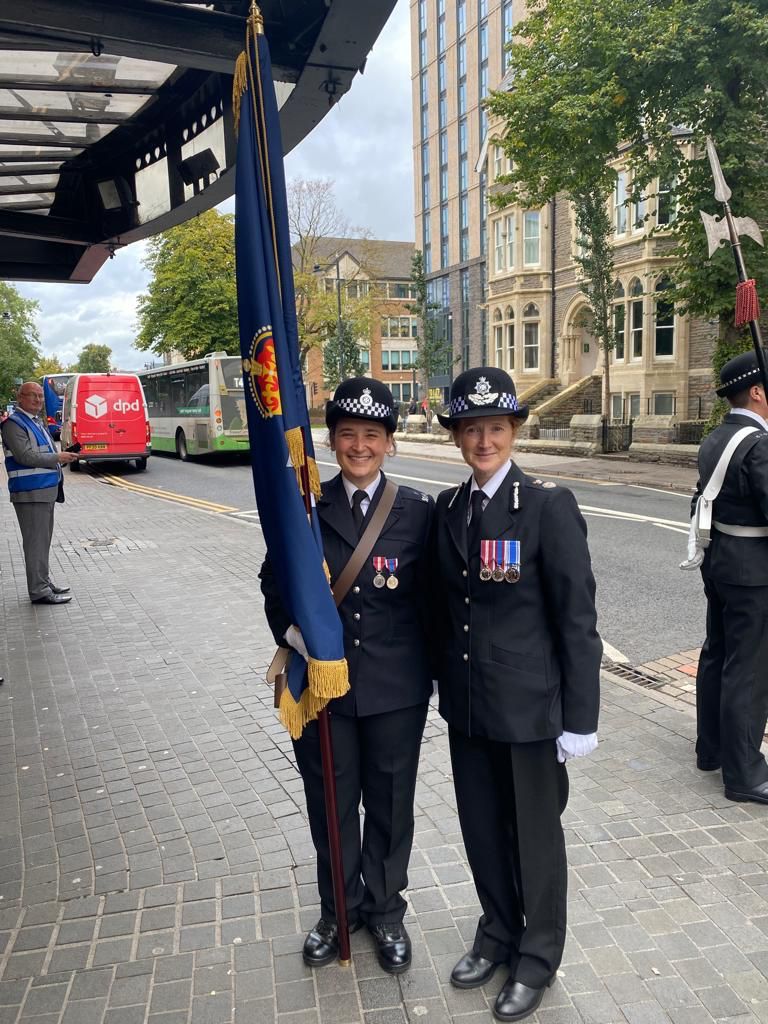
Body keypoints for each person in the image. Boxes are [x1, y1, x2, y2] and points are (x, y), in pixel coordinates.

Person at [430, 367, 602, 1023]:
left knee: (534, 838)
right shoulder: (449, 509)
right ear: (456, 437)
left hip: (531, 711)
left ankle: (536, 957)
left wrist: (578, 719)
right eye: (470, 430)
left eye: (494, 428)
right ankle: (498, 931)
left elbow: (576, 620)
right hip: (470, 705)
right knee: (481, 831)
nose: (482, 441)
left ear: (514, 431)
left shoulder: (548, 507)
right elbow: (442, 609)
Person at [260, 377, 434, 974]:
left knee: (390, 804)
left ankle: (386, 911)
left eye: (372, 435)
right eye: (347, 435)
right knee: (330, 806)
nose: (359, 446)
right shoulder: (307, 508)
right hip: (323, 691)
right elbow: (272, 581)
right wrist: (294, 635)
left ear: (389, 442)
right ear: (331, 442)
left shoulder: (417, 512)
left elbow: (437, 599)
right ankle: (340, 909)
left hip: (395, 691)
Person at [692, 349, 768, 804]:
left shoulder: (717, 436)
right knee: (750, 668)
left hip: (720, 562)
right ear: (758, 392)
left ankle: (712, 749)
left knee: (717, 655)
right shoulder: (760, 445)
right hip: (754, 571)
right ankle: (745, 774)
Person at [1, 381, 78, 604]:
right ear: (20, 397)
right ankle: (39, 590)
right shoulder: (13, 424)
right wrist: (58, 458)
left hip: (44, 490)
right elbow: (25, 457)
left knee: (42, 542)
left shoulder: (35, 422)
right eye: (32, 396)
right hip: (30, 493)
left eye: (41, 396)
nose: (38, 400)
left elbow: (43, 452)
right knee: (35, 543)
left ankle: (43, 581)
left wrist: (63, 457)